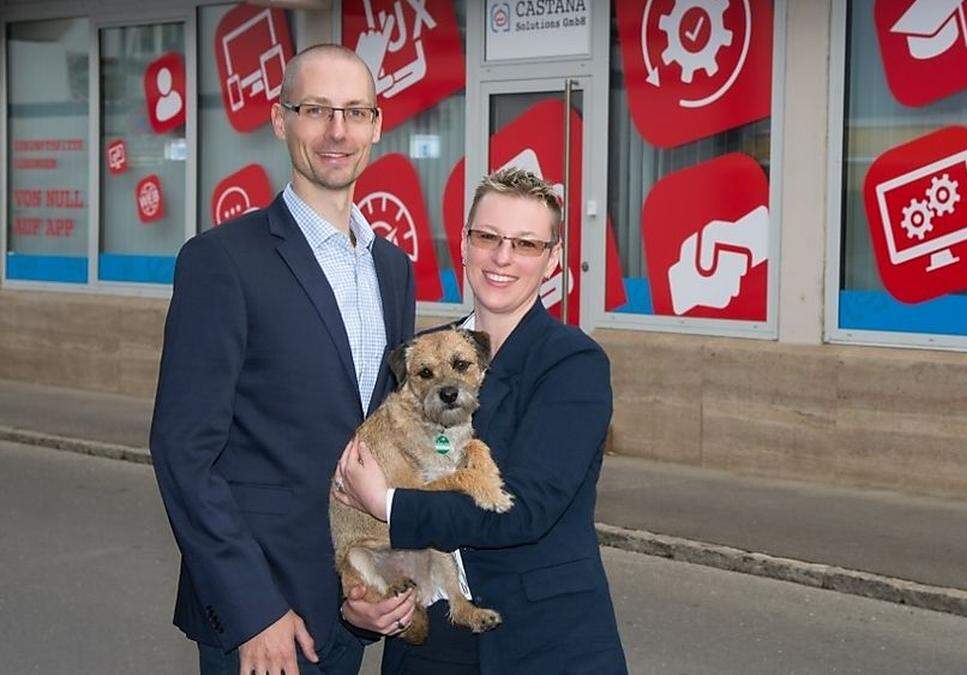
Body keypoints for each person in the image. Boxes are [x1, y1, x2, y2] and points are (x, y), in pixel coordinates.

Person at [150, 44, 420, 675]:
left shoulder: (392, 269)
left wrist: (382, 575)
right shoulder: (222, 261)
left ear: (377, 125)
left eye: (355, 112)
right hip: (264, 622)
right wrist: (253, 610)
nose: (337, 131)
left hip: (353, 603)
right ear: (280, 120)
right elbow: (183, 449)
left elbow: (386, 437)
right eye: (316, 109)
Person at [334, 167, 629, 674]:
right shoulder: (420, 356)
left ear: (554, 259)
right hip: (429, 648)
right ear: (464, 245)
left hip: (544, 643)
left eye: (526, 244)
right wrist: (364, 603)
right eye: (487, 236)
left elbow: (524, 511)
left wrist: (386, 503)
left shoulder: (574, 364)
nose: (503, 257)